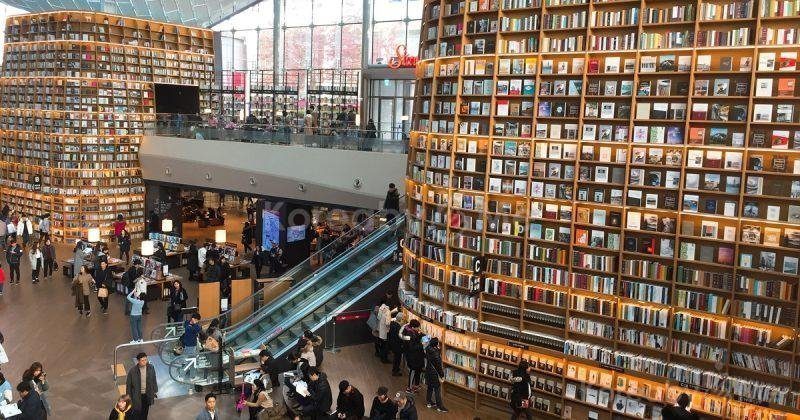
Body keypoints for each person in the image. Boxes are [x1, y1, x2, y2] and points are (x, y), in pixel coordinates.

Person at [126, 352, 158, 420]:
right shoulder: (133, 371)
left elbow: (154, 379)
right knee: (137, 411)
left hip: (147, 394)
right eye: (142, 360)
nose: (145, 362)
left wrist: (155, 390)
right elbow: (128, 384)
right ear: (138, 361)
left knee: (145, 411)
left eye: (146, 360)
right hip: (137, 395)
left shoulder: (151, 367)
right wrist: (128, 396)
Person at [400, 319, 424, 393]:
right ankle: (409, 388)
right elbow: (412, 347)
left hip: (417, 356)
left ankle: (416, 385)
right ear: (413, 327)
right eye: (417, 327)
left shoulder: (411, 331)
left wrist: (420, 335)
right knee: (413, 371)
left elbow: (415, 339)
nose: (418, 329)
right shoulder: (409, 334)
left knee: (418, 370)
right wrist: (421, 345)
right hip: (412, 357)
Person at [424, 337, 447, 412]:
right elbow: (438, 367)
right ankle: (439, 406)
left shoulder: (428, 349)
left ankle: (429, 402)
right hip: (434, 373)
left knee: (430, 387)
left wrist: (437, 349)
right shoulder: (436, 354)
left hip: (428, 371)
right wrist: (442, 375)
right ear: (436, 344)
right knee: (437, 389)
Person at [376, 299, 398, 364]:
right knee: (385, 346)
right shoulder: (388, 311)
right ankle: (384, 359)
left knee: (382, 345)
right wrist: (394, 319)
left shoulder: (381, 308)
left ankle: (381, 357)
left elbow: (379, 317)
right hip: (385, 331)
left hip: (381, 329)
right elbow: (388, 323)